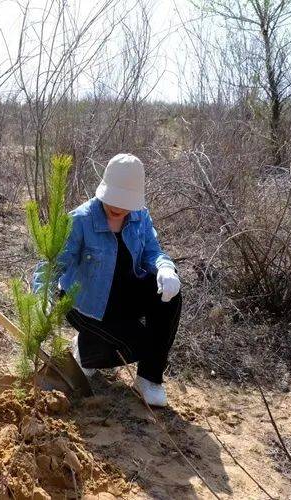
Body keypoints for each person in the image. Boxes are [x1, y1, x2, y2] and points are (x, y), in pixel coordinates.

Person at [33, 154, 181, 407]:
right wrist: (41, 295)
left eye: (126, 201)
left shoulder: (140, 217)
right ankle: (86, 350)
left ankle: (148, 379)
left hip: (124, 296)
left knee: (170, 297)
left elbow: (152, 252)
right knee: (138, 345)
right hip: (87, 305)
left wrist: (165, 269)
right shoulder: (80, 220)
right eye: (114, 198)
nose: (119, 207)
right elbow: (53, 264)